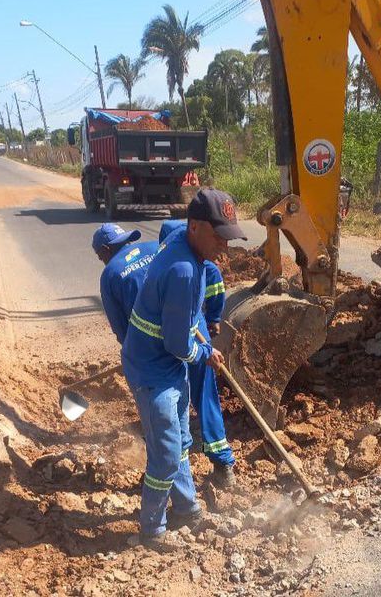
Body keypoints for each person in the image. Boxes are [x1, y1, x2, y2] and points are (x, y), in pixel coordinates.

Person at [122, 189, 246, 551]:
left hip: (165, 362)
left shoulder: (181, 239)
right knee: (164, 454)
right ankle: (152, 530)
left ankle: (187, 508)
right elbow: (178, 345)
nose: (224, 247)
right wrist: (204, 353)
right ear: (195, 227)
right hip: (152, 371)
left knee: (180, 441)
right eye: (219, 237)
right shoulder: (183, 271)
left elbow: (183, 323)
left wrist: (199, 335)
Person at [158, 220, 236, 487]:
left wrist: (212, 319)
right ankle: (221, 464)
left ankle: (177, 456)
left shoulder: (170, 264)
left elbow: (215, 293)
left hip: (183, 333)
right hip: (193, 331)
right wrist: (211, 320)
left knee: (171, 389)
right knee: (204, 395)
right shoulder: (196, 264)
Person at [93, 223, 158, 345]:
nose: (101, 260)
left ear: (105, 249)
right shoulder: (156, 246)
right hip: (187, 329)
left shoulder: (110, 274)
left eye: (100, 256)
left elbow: (120, 326)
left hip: (152, 345)